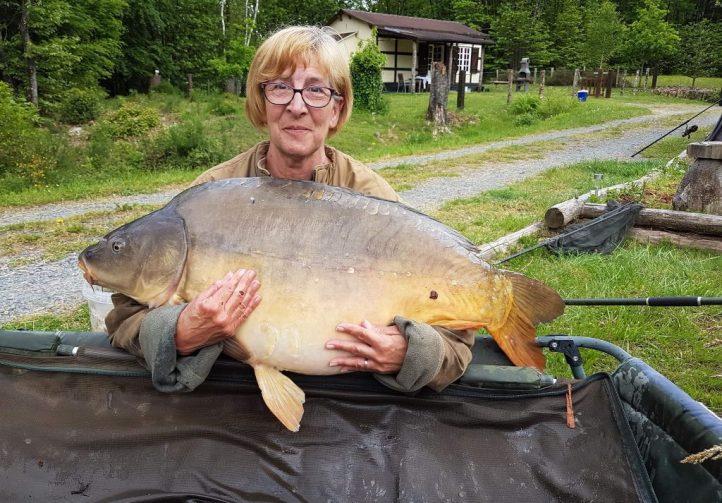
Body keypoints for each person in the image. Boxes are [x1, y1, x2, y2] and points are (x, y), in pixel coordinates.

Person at [106, 25, 474, 395]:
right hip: (228, 399)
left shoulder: (372, 200)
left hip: (353, 405)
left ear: (336, 109)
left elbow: (457, 344)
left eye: (316, 90)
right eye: (280, 87)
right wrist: (179, 333)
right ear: (260, 101)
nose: (297, 106)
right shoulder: (209, 197)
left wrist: (410, 353)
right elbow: (123, 319)